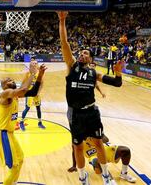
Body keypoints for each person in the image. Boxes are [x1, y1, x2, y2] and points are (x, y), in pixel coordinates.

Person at [58, 11, 124, 185]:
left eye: (86, 53)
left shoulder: (94, 74)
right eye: (81, 52)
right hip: (76, 114)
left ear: (91, 58)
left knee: (98, 143)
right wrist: (62, 20)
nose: (82, 54)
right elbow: (64, 43)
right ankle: (82, 177)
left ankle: (105, 176)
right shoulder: (72, 67)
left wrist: (118, 73)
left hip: (91, 112)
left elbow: (117, 83)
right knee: (77, 146)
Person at [0, 64, 47, 185]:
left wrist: (40, 75)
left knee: (20, 159)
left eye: (12, 80)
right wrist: (32, 73)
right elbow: (22, 89)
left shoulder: (15, 95)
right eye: (8, 81)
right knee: (13, 167)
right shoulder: (6, 94)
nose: (11, 81)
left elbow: (32, 92)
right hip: (2, 133)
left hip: (9, 133)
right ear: (4, 86)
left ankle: (13, 182)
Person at [68, 136, 137, 183]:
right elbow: (74, 152)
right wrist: (74, 165)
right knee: (95, 161)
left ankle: (124, 174)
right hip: (92, 156)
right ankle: (110, 181)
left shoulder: (94, 127)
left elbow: (106, 139)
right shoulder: (77, 136)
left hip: (104, 150)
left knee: (125, 150)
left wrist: (98, 138)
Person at [20, 58, 46, 131]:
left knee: (38, 108)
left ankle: (40, 122)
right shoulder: (28, 74)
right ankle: (21, 121)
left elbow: (42, 84)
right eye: (33, 63)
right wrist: (23, 91)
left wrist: (38, 92)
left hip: (37, 94)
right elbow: (23, 83)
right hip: (29, 93)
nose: (34, 64)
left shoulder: (39, 73)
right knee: (27, 108)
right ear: (30, 65)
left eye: (35, 63)